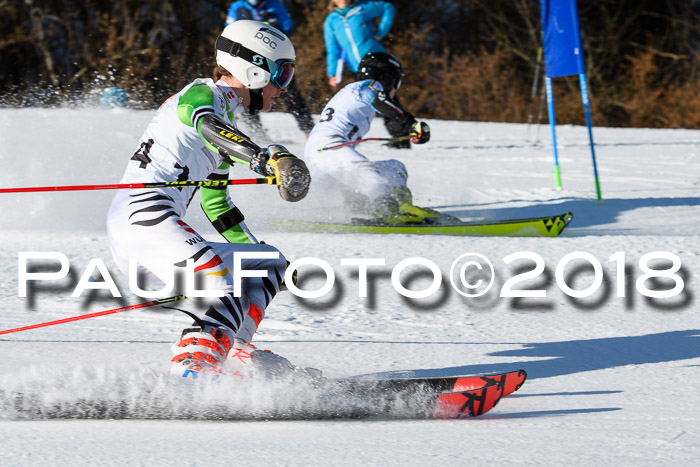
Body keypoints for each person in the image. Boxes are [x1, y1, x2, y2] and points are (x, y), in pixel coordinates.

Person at [106, 20, 311, 380]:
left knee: (268, 264)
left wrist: (252, 256)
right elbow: (203, 121)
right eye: (282, 74)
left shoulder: (225, 121)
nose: (283, 88)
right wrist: (263, 158)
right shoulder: (202, 96)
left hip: (155, 226)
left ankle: (233, 355)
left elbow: (217, 205)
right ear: (254, 67)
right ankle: (193, 373)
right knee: (219, 288)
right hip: (143, 216)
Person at [304, 52, 435, 225]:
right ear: (387, 77)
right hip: (325, 148)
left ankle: (402, 206)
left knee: (395, 168)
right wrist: (411, 124)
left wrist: (352, 195)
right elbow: (380, 101)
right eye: (397, 82)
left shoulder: (356, 94)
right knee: (367, 173)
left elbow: (344, 165)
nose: (396, 89)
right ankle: (385, 210)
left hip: (331, 154)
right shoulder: (367, 86)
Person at [323, 0, 410, 149]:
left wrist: (381, 32)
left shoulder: (362, 8)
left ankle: (402, 138)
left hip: (379, 61)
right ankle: (352, 138)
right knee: (369, 103)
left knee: (388, 99)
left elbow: (387, 7)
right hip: (358, 68)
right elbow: (332, 48)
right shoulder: (331, 21)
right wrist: (332, 73)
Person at [225, 0, 315, 135]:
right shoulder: (237, 7)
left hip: (275, 58)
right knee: (248, 95)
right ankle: (256, 133)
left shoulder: (275, 4)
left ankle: (309, 130)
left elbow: (287, 27)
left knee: (288, 92)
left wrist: (273, 33)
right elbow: (230, 31)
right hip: (248, 60)